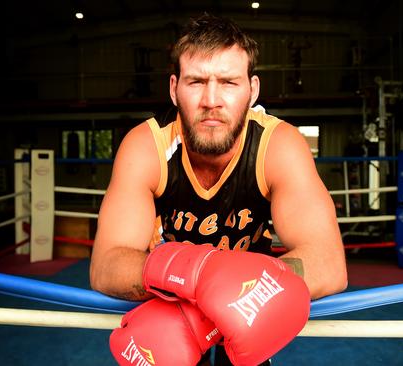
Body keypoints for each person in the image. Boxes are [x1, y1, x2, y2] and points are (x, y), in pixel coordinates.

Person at [90, 13, 347, 365]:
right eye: (196, 81)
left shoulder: (277, 145)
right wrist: (202, 276)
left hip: (245, 307)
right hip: (170, 307)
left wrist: (216, 307)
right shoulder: (146, 147)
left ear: (252, 90)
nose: (212, 100)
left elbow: (329, 263)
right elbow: (106, 265)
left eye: (228, 82)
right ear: (173, 88)